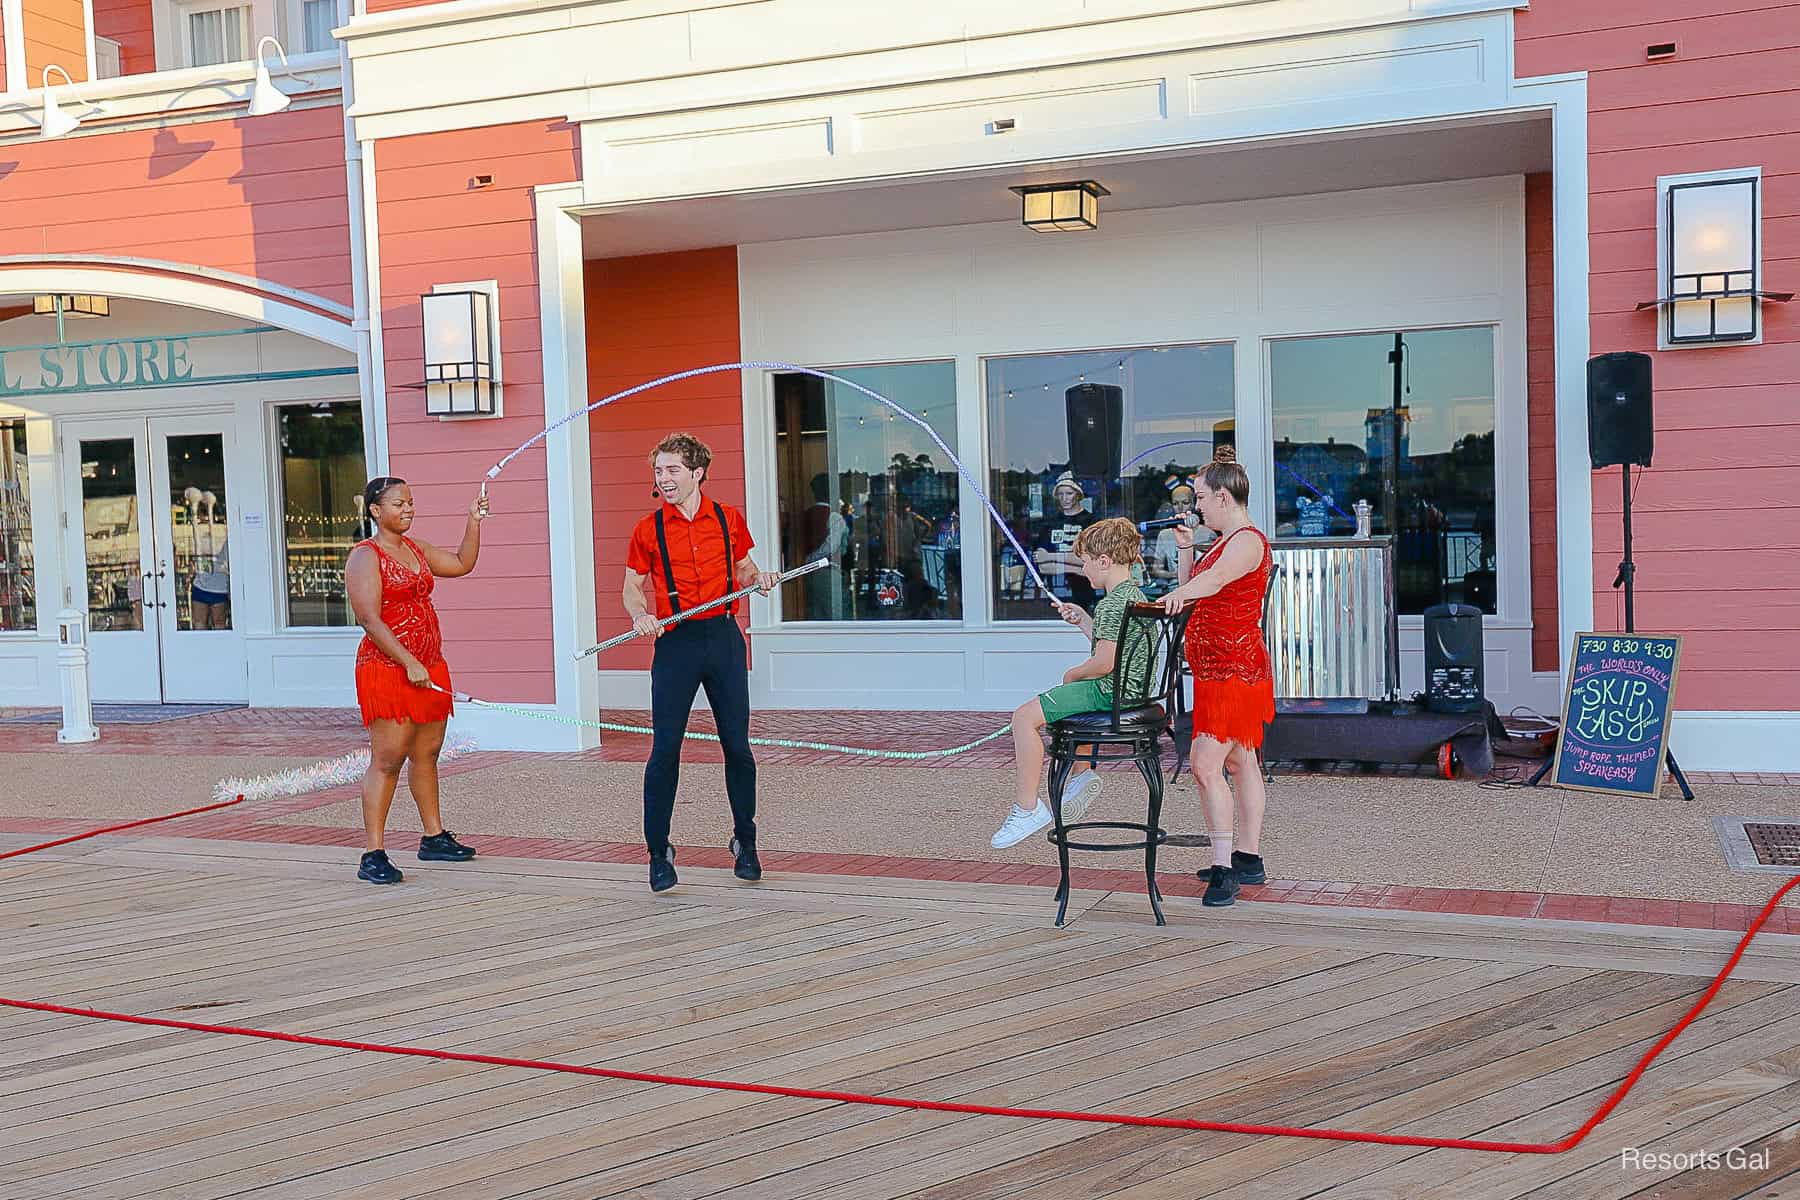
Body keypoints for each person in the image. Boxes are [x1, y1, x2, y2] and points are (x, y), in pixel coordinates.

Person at [623, 433, 780, 893]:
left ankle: (745, 843)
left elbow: (746, 569)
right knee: (665, 750)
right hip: (675, 643)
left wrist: (761, 578)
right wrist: (640, 614)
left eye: (672, 470)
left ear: (697, 473)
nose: (663, 479)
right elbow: (631, 586)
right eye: (658, 471)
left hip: (724, 639)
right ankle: (658, 852)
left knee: (737, 746)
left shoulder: (727, 519)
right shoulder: (647, 529)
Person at [345, 476, 488, 885]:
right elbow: (369, 619)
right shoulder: (365, 556)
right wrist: (407, 661)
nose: (407, 509)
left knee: (427, 752)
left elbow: (462, 563)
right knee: (388, 759)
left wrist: (473, 521)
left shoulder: (416, 549)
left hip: (428, 664)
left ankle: (433, 836)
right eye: (398, 504)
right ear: (375, 511)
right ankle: (373, 852)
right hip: (389, 668)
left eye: (410, 503)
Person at [991, 517, 1149, 849]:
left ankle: (1027, 809)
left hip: (1109, 693)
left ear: (1104, 562)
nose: (1083, 570)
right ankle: (1080, 777)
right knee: (1070, 699)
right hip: (1132, 692)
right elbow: (1113, 648)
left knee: (1023, 718)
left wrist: (1071, 676)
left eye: (1086, 563)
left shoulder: (1111, 604)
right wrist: (1083, 620)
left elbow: (1104, 663)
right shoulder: (1134, 596)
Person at [1158, 460, 1274, 907]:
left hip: (1234, 670)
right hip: (1216, 670)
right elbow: (1200, 581)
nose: (1196, 507)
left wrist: (1177, 594)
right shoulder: (1225, 541)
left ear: (1223, 497)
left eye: (1201, 498)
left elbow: (1217, 580)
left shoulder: (1246, 541)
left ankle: (1225, 870)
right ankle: (1248, 857)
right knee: (1241, 762)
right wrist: (1187, 550)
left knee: (1206, 764)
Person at [1032, 470, 1099, 608]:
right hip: (1055, 597)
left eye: (1069, 493)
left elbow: (1090, 560)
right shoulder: (1050, 523)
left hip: (1085, 594)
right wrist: (1075, 567)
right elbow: (1042, 565)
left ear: (1078, 495)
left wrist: (1052, 557)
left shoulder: (1091, 522)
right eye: (1060, 494)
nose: (1064, 498)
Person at [191, 539, 230, 629]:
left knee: (202, 625)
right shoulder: (227, 534)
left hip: (213, 587)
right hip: (215, 587)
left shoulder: (201, 533)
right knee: (218, 625)